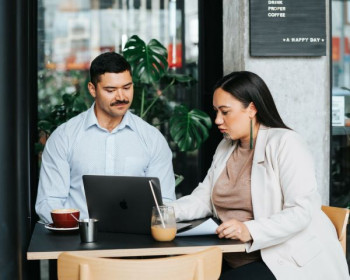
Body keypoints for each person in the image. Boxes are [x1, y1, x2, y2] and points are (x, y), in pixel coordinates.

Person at [170, 71, 350, 280]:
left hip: (284, 260)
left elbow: (300, 211)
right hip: (235, 256)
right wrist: (164, 212)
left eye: (225, 112)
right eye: (216, 111)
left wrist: (250, 230)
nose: (218, 120)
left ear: (252, 109)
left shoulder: (286, 143)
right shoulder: (225, 146)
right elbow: (203, 198)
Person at [36, 52, 176, 223]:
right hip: (76, 241)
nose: (121, 97)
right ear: (92, 89)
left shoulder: (152, 139)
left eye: (127, 87)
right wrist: (80, 229)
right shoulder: (64, 137)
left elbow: (165, 203)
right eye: (111, 90)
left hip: (137, 243)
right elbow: (49, 202)